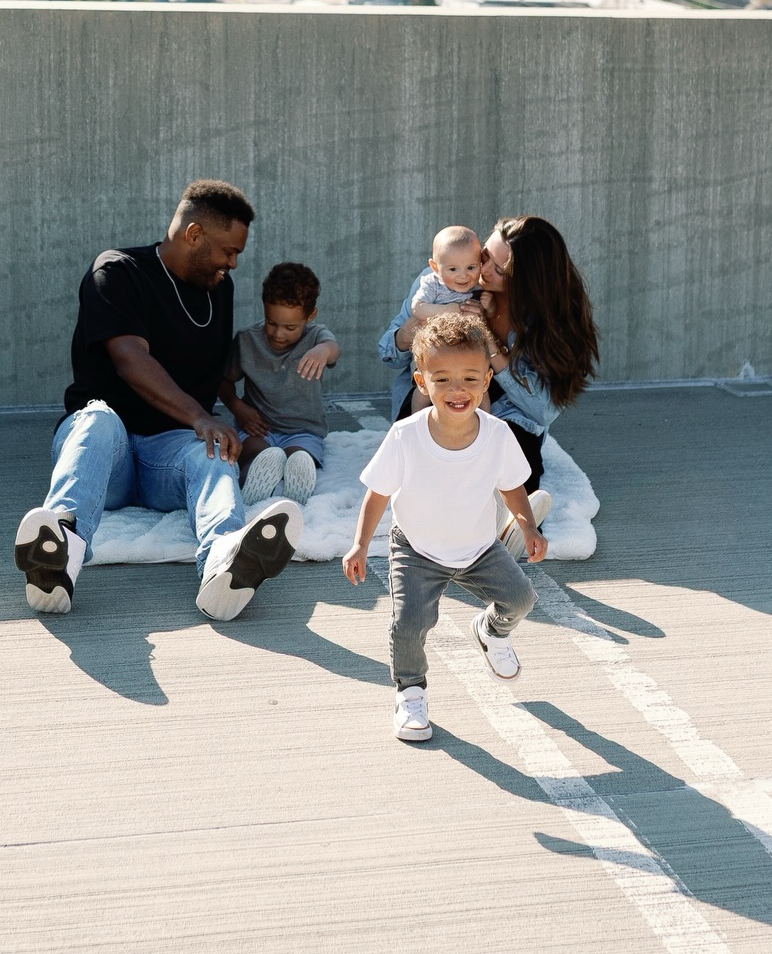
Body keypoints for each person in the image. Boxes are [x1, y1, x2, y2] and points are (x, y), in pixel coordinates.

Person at [12, 181, 302, 623]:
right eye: (228, 250)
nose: (233, 263)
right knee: (97, 419)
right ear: (193, 234)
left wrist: (232, 415)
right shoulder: (118, 271)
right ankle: (60, 552)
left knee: (213, 451)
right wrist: (201, 417)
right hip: (109, 457)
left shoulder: (218, 290)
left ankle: (222, 562)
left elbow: (218, 372)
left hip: (169, 454)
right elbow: (130, 359)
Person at [343, 312, 547, 743]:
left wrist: (526, 524)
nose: (458, 391)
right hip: (416, 550)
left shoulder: (497, 434)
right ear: (422, 383)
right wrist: (360, 545)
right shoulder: (405, 436)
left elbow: (512, 486)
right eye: (443, 380)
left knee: (522, 599)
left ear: (488, 379)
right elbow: (377, 494)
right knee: (409, 623)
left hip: (478, 547)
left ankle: (491, 632)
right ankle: (411, 693)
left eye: (471, 379)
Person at [376, 214, 598, 554]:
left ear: (527, 281)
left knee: (508, 454)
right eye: (485, 257)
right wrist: (415, 326)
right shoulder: (442, 279)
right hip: (439, 391)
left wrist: (490, 340)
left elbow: (541, 411)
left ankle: (506, 523)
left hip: (509, 405)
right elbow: (389, 354)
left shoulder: (548, 318)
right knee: (438, 449)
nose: (481, 271)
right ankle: (461, 522)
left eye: (498, 268)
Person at [219, 261, 338, 507]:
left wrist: (322, 352)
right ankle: (253, 482)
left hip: (303, 430)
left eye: (290, 327)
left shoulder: (316, 337)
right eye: (271, 322)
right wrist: (238, 407)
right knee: (254, 451)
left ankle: (297, 484)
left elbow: (333, 349)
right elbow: (223, 382)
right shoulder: (247, 341)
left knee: (300, 456)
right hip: (260, 427)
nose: (278, 333)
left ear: (310, 316)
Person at [406, 225, 484, 314]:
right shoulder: (433, 284)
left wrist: (490, 307)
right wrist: (446, 310)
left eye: (470, 268)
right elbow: (417, 308)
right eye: (453, 269)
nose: (463, 275)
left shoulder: (478, 285)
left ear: (480, 265)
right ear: (435, 267)